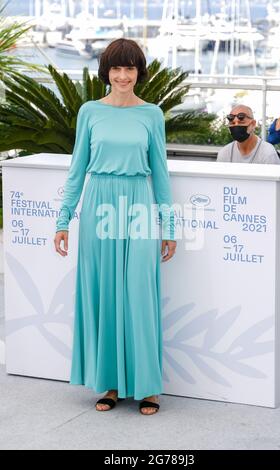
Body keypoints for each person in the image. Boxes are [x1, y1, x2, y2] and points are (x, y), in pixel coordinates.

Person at [54, 38, 177, 416]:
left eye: (130, 68)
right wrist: (64, 220)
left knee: (139, 293)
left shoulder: (152, 114)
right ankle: (109, 383)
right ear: (106, 72)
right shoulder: (90, 111)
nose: (123, 76)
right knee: (105, 294)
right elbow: (77, 169)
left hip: (137, 202)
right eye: (116, 68)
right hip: (98, 203)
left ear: (139, 72)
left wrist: (167, 225)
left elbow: (160, 171)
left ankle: (148, 387)